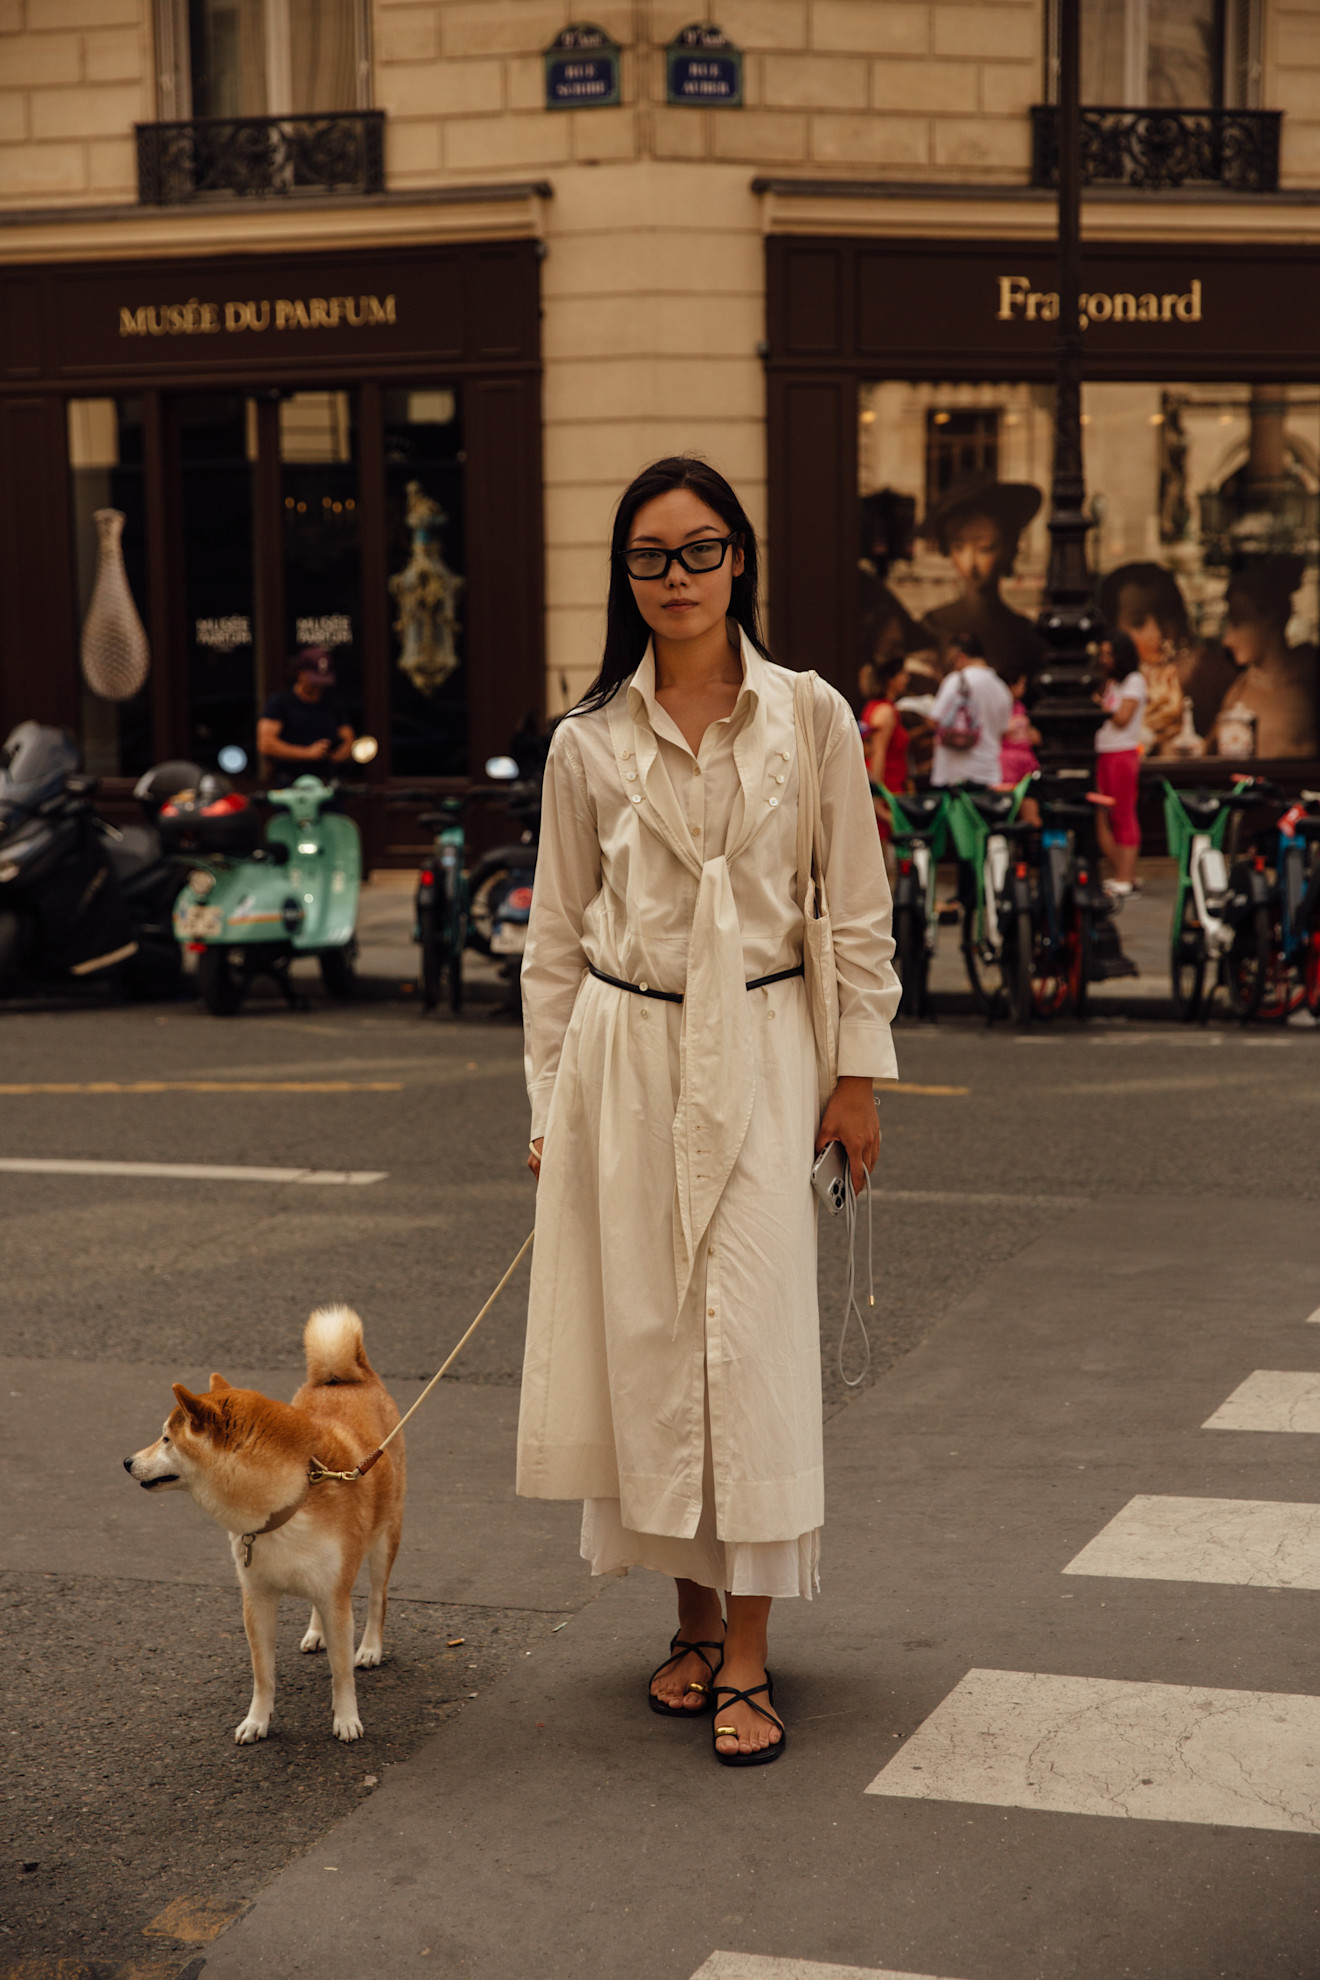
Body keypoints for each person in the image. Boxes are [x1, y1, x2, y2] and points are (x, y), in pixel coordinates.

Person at [518, 456, 900, 1768]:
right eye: (650, 556)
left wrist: (856, 1076)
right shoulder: (588, 741)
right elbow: (554, 941)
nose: (675, 577)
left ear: (740, 557)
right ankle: (689, 1623)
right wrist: (548, 1107)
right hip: (624, 1056)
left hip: (770, 1048)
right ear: (623, 576)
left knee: (751, 1343)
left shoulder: (810, 715)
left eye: (699, 550)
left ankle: (748, 1647)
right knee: (658, 1341)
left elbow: (857, 905)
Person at [1096, 564, 1236, 755]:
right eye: (1138, 622)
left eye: (1166, 615)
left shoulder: (1210, 674)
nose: (1158, 632)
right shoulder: (1104, 680)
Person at [920, 478, 1047, 686]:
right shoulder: (934, 625)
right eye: (959, 547)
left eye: (984, 548)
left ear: (1007, 547)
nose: (971, 563)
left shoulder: (1023, 633)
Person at [1214, 556, 1318, 760]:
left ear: (1270, 619)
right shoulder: (1240, 688)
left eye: (1239, 622)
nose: (1227, 640)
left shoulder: (1308, 683)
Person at [1093, 630, 1147, 896]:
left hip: (1121, 753)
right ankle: (1124, 873)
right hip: (1103, 752)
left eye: (1109, 654)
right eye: (1102, 654)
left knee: (1122, 813)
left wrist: (1098, 705)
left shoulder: (1134, 681)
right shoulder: (1111, 683)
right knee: (1102, 815)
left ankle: (1124, 877)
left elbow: (1122, 718)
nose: (1104, 660)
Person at [928, 635, 1013, 790]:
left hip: (955, 774)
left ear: (961, 657)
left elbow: (934, 720)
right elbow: (1003, 732)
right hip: (989, 772)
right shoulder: (1002, 688)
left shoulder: (956, 680)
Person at [256, 649, 355, 781]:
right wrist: (307, 753)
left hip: (326, 780)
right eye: (314, 682)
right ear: (300, 673)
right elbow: (266, 744)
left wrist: (340, 752)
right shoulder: (281, 702)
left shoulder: (333, 703)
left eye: (322, 682)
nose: (318, 686)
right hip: (290, 781)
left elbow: (348, 737)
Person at [860, 654, 910, 837]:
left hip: (892, 785)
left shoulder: (881, 707)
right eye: (903, 674)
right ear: (891, 679)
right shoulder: (885, 711)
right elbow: (878, 753)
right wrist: (877, 797)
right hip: (886, 788)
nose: (907, 679)